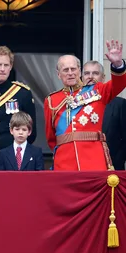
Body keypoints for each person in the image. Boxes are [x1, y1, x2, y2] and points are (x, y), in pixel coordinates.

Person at [44, 40, 126, 171]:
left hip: (93, 160)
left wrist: (117, 64)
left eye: (73, 69)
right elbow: (51, 137)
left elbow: (119, 84)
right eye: (66, 70)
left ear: (79, 71)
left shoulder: (97, 91)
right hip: (64, 162)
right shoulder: (51, 100)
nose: (70, 73)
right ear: (59, 74)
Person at [82, 60, 126, 170]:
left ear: (103, 77)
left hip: (112, 169)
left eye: (95, 73)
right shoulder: (75, 105)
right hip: (82, 167)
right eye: (87, 73)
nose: (90, 77)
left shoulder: (119, 104)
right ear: (82, 78)